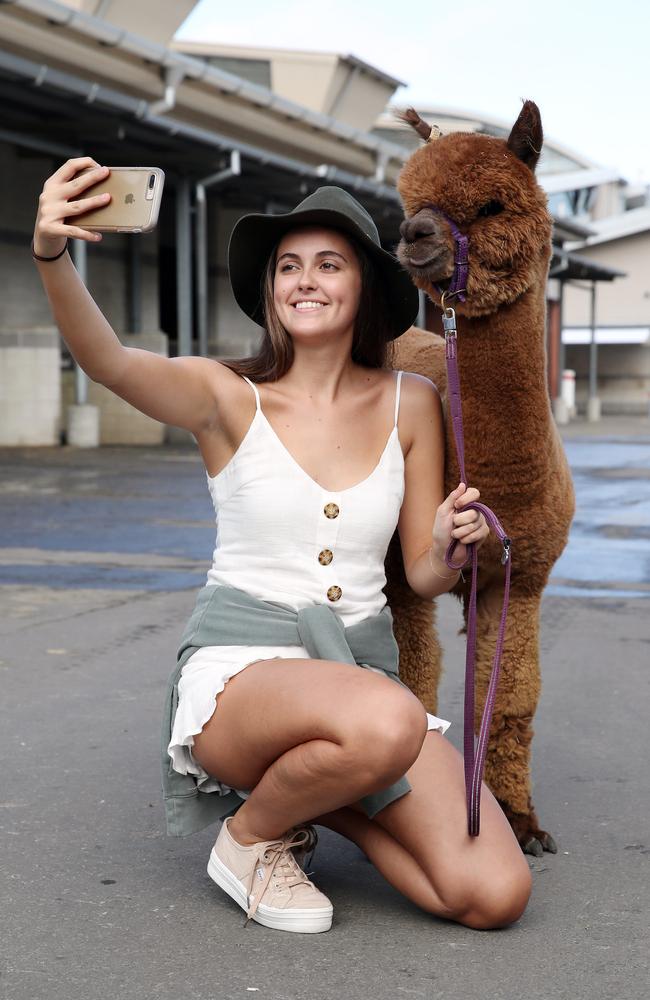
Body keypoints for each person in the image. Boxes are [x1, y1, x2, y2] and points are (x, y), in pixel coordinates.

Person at [32, 156, 532, 936]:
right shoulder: (227, 396)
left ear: (364, 284)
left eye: (329, 264)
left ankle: (321, 800)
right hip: (244, 675)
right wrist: (53, 255)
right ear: (270, 290)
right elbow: (109, 362)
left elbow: (425, 578)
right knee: (389, 723)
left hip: (359, 681)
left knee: (491, 894)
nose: (304, 279)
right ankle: (249, 836)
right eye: (288, 266)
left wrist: (447, 545)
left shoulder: (414, 401)